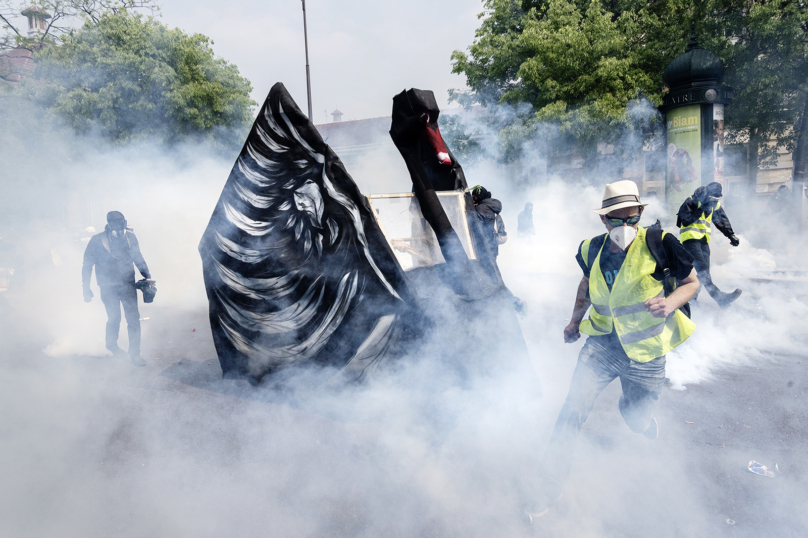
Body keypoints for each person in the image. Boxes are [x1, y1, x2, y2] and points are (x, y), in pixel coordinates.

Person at [525, 180, 699, 522]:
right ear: (604, 220)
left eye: (630, 219)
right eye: (615, 220)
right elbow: (586, 284)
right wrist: (574, 322)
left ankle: (638, 417)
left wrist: (669, 303)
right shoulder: (590, 248)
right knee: (571, 412)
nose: (624, 228)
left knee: (635, 417)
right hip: (602, 347)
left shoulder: (660, 243)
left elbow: (691, 282)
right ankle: (547, 488)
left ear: (639, 216)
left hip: (646, 354)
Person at [82, 211, 151, 366]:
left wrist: (148, 276)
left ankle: (135, 354)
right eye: (116, 223)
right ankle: (111, 344)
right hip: (107, 287)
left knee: (133, 320)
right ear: (109, 224)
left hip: (127, 284)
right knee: (114, 318)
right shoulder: (96, 240)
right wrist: (85, 287)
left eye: (122, 223)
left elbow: (138, 257)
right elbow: (87, 265)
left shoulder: (130, 237)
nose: (120, 227)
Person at [677, 182, 741, 308]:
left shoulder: (715, 204)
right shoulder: (692, 201)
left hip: (703, 241)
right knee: (703, 271)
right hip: (690, 240)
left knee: (704, 273)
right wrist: (700, 209)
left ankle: (691, 300)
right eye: (712, 198)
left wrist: (730, 235)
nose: (714, 201)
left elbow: (722, 220)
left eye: (716, 198)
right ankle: (720, 298)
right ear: (706, 194)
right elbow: (683, 221)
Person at [470, 185, 507, 257]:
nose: (473, 199)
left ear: (479, 196)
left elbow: (478, 227)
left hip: (487, 244)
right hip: (495, 241)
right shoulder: (491, 205)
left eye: (474, 196)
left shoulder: (481, 208)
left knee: (487, 265)